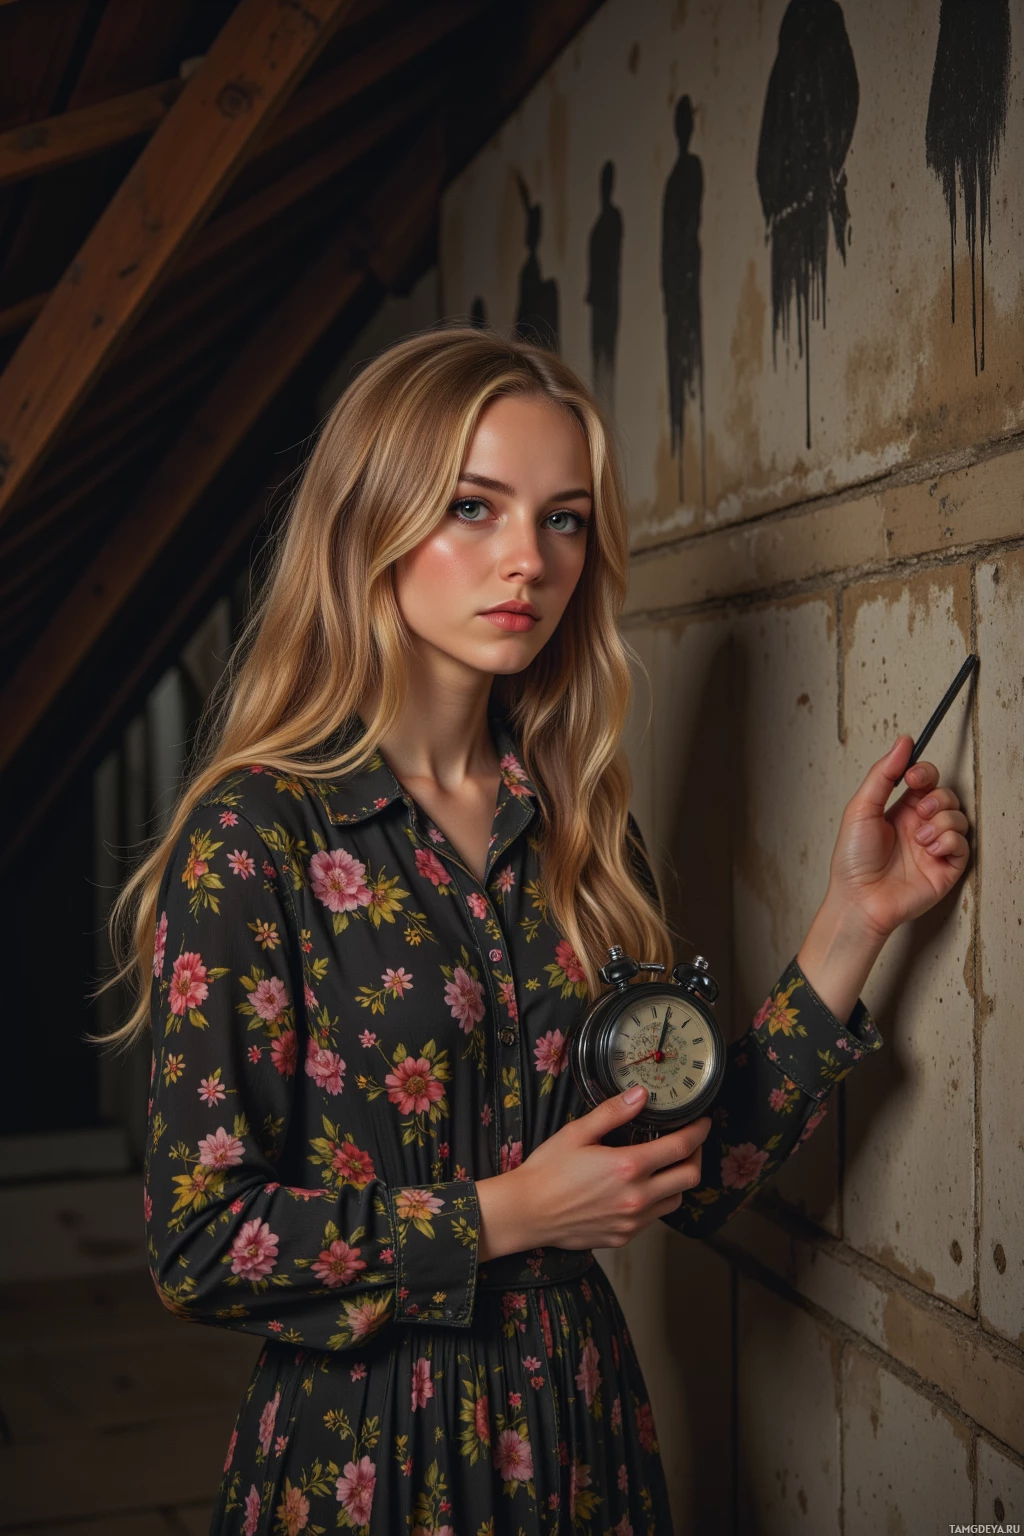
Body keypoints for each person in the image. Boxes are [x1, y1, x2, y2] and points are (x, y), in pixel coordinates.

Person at [103, 327, 969, 1535]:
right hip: (367, 1454)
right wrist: (511, 1211)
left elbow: (689, 1167)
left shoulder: (577, 829)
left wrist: (853, 919)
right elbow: (198, 1244)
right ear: (371, 525)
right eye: (473, 507)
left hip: (581, 1429)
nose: (528, 560)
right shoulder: (259, 836)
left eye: (562, 520)